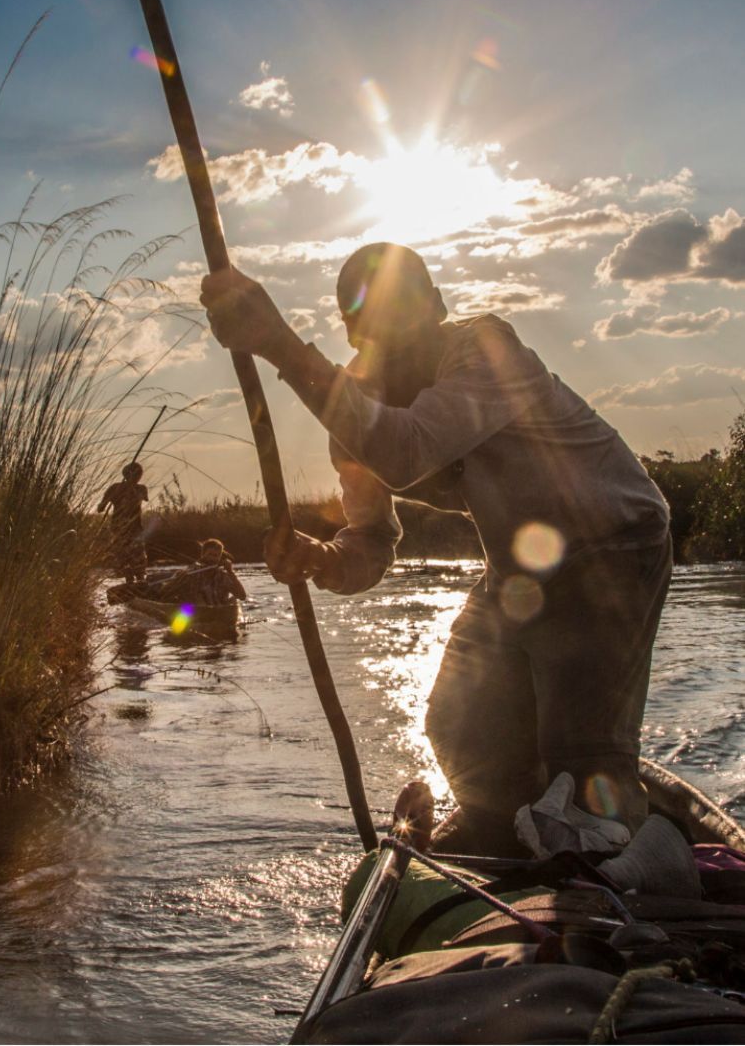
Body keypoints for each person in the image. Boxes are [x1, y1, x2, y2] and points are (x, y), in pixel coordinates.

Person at [200, 242, 671, 853]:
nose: (391, 333)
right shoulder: (355, 409)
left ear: (439, 307)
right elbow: (372, 540)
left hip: (611, 544)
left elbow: (406, 450)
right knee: (457, 725)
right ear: (352, 332)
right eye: (370, 320)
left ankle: (618, 849)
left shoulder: (486, 349)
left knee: (583, 756)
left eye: (405, 311)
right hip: (518, 567)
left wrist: (278, 344)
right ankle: (503, 832)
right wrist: (322, 559)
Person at [97, 462, 149, 584]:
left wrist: (129, 488)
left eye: (140, 474)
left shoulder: (141, 488)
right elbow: (100, 508)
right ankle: (129, 581)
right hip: (119, 528)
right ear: (128, 474)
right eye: (136, 474)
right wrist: (109, 498)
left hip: (135, 528)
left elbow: (141, 498)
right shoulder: (115, 488)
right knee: (123, 556)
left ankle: (141, 580)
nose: (139, 477)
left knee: (138, 555)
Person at [159, 538, 247, 607]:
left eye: (216, 556)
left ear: (220, 558)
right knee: (196, 599)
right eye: (210, 554)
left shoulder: (224, 576)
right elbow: (163, 595)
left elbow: (242, 596)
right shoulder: (189, 573)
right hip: (193, 613)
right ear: (202, 555)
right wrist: (177, 580)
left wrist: (231, 572)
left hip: (217, 613)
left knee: (234, 600)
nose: (213, 559)